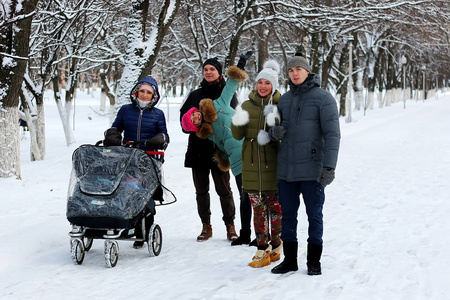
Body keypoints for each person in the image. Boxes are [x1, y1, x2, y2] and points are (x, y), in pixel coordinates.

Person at [270, 53, 340, 275]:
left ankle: (313, 262)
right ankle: (290, 260)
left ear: (307, 71)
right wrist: (274, 133)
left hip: (313, 170)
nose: (295, 73)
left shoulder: (323, 98)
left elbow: (332, 135)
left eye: (298, 69)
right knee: (287, 216)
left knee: (314, 215)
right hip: (287, 171)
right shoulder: (284, 100)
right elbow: (275, 130)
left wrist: (329, 167)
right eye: (291, 70)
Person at [181, 52, 254, 245]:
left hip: (220, 151)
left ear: (219, 73)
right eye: (205, 69)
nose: (208, 72)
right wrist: (194, 125)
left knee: (225, 189)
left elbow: (234, 117)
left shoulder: (224, 96)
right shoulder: (195, 95)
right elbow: (184, 120)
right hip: (198, 150)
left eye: (212, 69)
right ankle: (206, 226)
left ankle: (230, 225)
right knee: (201, 191)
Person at [104, 76, 169, 249]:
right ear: (136, 92)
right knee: (124, 189)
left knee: (145, 193)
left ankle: (144, 231)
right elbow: (116, 127)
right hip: (127, 156)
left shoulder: (158, 114)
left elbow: (164, 135)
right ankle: (125, 224)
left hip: (148, 158)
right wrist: (112, 135)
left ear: (154, 95)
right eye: (142, 91)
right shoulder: (126, 110)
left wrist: (158, 139)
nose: (145, 95)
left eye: (149, 92)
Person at [231, 60, 283, 268]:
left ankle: (276, 245)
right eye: (260, 82)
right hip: (251, 165)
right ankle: (261, 248)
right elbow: (237, 136)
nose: (263, 86)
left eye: (267, 83)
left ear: (274, 85)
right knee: (258, 210)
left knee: (276, 209)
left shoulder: (281, 104)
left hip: (274, 164)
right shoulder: (246, 105)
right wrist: (238, 119)